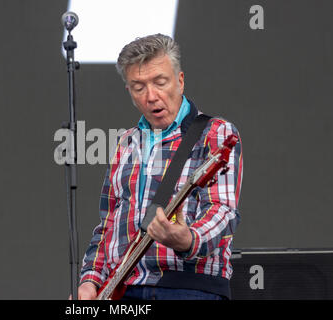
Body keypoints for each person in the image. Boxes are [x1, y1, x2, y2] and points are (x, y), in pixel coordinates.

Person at [78, 34, 243, 300]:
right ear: (129, 91)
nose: (151, 96)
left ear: (180, 81)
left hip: (188, 288)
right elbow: (107, 223)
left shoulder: (215, 132)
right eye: (139, 86)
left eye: (160, 82)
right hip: (123, 291)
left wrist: (188, 239)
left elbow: (222, 211)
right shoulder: (126, 143)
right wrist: (90, 280)